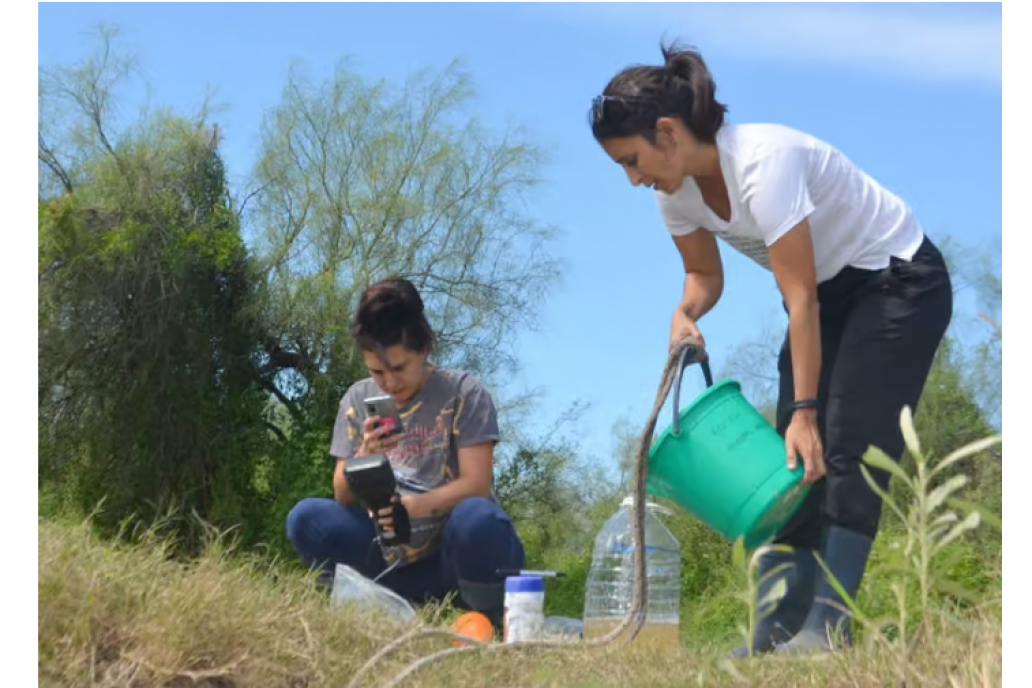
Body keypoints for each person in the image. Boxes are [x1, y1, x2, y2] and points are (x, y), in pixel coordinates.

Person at [589, 42, 953, 655]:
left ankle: (828, 627)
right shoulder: (672, 193)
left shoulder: (764, 162)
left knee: (845, 440)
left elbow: (800, 295)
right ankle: (780, 625)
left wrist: (809, 411)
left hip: (898, 281)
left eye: (632, 160)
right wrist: (684, 313)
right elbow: (705, 279)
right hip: (828, 295)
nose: (633, 178)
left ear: (667, 132)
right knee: (791, 457)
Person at [285, 277, 526, 629]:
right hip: (386, 555)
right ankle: (376, 607)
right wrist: (365, 452)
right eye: (376, 371)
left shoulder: (465, 392)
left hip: (451, 558)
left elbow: (476, 485)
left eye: (399, 368)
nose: (389, 383)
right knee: (305, 517)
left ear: (425, 348)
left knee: (480, 519)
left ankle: (487, 619)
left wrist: (410, 508)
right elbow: (341, 493)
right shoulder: (356, 399)